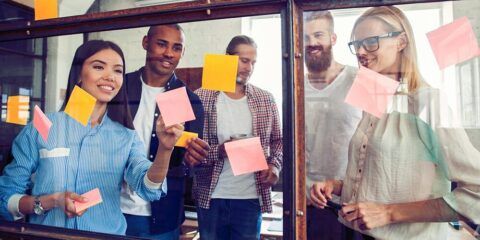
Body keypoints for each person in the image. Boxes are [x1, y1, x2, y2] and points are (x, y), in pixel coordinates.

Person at [310, 6, 480, 240]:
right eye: (356, 44)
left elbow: (476, 190)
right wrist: (337, 185)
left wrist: (389, 213)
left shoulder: (428, 101)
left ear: (401, 42)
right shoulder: (374, 97)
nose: (360, 51)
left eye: (370, 42)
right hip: (359, 234)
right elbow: (383, 176)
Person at [0, 40, 183, 235]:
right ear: (78, 73)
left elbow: (148, 188)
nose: (110, 77)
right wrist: (52, 200)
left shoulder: (126, 137)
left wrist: (165, 149)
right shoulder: (42, 127)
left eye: (118, 71)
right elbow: (5, 198)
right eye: (98, 67)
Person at [121, 24, 210, 239]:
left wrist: (193, 159)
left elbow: (188, 165)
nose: (169, 53)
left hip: (162, 215)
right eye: (162, 44)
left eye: (176, 47)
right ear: (145, 43)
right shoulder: (119, 88)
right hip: (112, 208)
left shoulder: (189, 100)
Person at [193, 35, 283, 240]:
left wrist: (275, 166)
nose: (249, 68)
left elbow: (278, 141)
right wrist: (221, 150)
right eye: (244, 60)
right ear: (227, 59)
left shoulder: (264, 98)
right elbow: (189, 150)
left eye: (253, 62)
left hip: (250, 198)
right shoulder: (202, 97)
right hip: (211, 198)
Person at [303, 10, 362, 240]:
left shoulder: (360, 79)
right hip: (307, 203)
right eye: (305, 37)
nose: (312, 43)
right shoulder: (293, 84)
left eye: (318, 35)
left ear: (333, 38)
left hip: (351, 202)